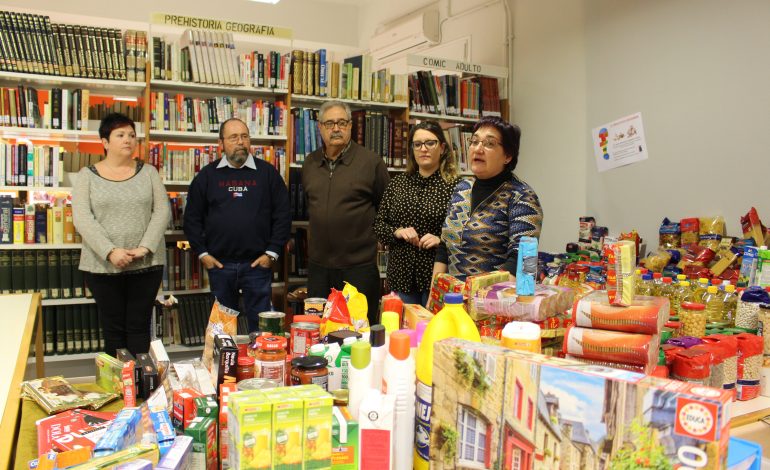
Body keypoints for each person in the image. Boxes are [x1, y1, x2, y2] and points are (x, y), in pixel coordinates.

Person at [72, 113, 170, 357]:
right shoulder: (87, 175)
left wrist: (145, 248)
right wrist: (110, 251)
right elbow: (82, 217)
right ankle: (118, 388)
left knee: (139, 328)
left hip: (146, 264)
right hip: (103, 266)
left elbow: (162, 211)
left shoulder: (148, 172)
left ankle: (139, 387)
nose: (128, 139)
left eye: (132, 135)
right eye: (120, 135)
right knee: (113, 330)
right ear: (105, 142)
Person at [184, 118, 291, 332]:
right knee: (223, 329)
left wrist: (272, 254)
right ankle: (227, 365)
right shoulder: (207, 175)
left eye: (244, 136)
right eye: (233, 137)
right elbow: (191, 218)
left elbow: (283, 215)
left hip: (257, 266)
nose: (240, 142)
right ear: (221, 143)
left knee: (262, 330)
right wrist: (203, 254)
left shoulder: (267, 174)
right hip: (220, 266)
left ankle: (262, 364)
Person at [302, 101, 390, 325]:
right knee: (318, 330)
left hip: (358, 268)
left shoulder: (371, 163)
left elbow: (386, 210)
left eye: (342, 122)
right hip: (319, 268)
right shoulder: (310, 163)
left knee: (359, 333)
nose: (336, 128)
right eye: (329, 123)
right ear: (320, 127)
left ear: (351, 126)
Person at [433, 116, 543, 280]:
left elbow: (524, 262)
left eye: (489, 144)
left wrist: (484, 297)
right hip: (452, 299)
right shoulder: (462, 189)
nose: (478, 149)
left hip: (492, 300)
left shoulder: (522, 197)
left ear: (508, 155)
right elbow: (444, 247)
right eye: (474, 141)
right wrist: (435, 291)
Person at [374, 120, 459, 306]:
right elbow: (378, 225)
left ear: (442, 148)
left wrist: (441, 240)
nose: (424, 149)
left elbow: (465, 234)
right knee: (402, 332)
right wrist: (397, 232)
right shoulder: (397, 184)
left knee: (434, 333)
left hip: (436, 278)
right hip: (401, 277)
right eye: (418, 144)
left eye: (430, 143)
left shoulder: (456, 187)